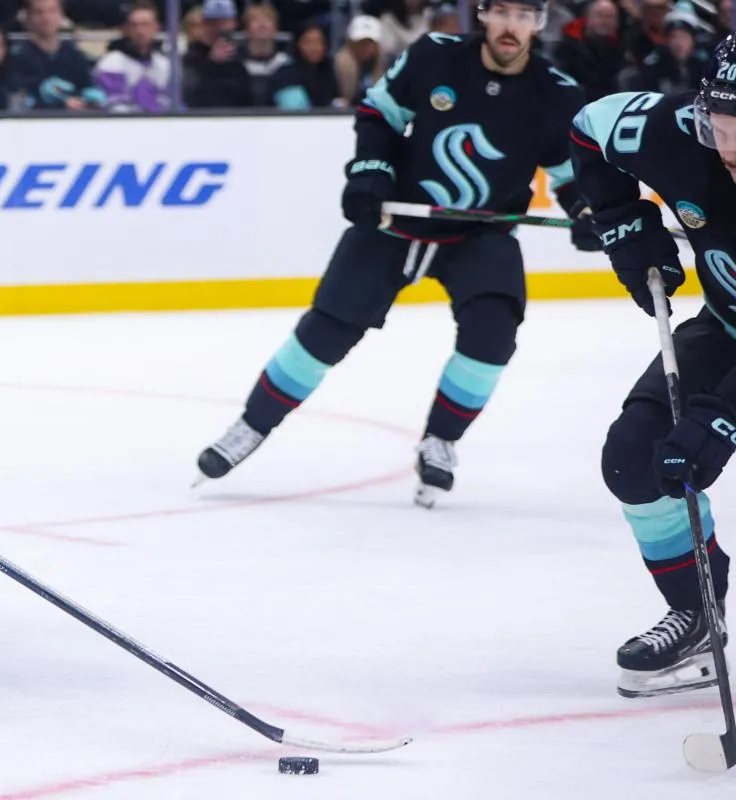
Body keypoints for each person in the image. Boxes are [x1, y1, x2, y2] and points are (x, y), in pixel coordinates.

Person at [196, 0, 600, 507]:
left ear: (539, 23)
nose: (511, 27)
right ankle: (250, 426)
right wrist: (370, 170)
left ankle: (441, 440)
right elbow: (379, 113)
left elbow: (569, 176)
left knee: (494, 331)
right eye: (502, 12)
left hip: (480, 233)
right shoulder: (434, 55)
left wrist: (587, 211)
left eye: (524, 16)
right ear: (483, 13)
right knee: (327, 329)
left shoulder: (557, 94)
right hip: (395, 219)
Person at [569, 37, 736, 697]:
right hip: (728, 327)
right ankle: (697, 610)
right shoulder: (674, 136)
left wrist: (720, 417)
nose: (730, 149)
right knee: (636, 456)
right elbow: (591, 128)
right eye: (721, 127)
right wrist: (623, 224)